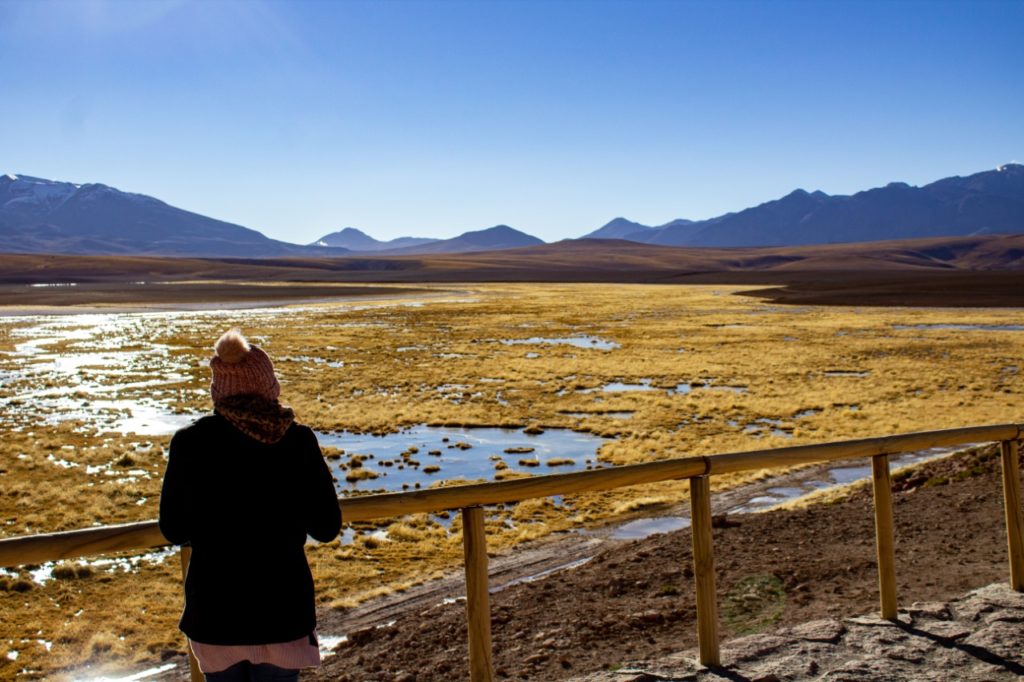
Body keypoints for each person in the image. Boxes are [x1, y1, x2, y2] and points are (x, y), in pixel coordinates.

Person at [159, 329, 341, 681]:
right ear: (268, 386)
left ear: (219, 391)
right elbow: (326, 527)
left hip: (215, 614)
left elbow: (174, 529)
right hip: (283, 613)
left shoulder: (190, 443)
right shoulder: (298, 441)